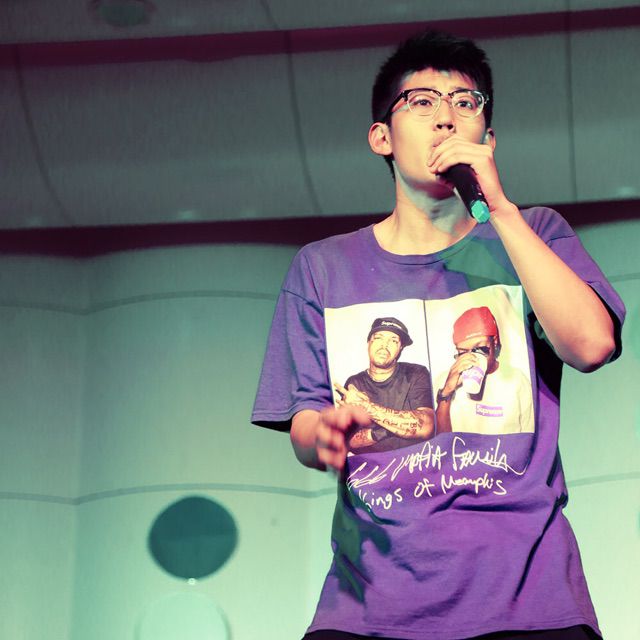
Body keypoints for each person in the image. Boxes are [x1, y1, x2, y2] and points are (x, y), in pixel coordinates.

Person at [252, 29, 624, 640]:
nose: (446, 118)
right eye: (421, 102)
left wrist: (498, 210)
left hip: (530, 602)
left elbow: (591, 345)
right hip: (370, 606)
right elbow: (304, 421)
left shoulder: (534, 234)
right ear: (382, 136)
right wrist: (323, 433)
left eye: (465, 102)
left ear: (488, 138)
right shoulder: (322, 267)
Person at [334, 316, 435, 453]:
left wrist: (367, 407)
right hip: (373, 464)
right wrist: (389, 430)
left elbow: (426, 427)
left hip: (413, 461)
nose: (384, 345)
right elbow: (348, 440)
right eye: (379, 338)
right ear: (369, 343)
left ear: (400, 348)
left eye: (393, 340)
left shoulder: (416, 373)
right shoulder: (354, 384)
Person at [435, 305, 534, 434]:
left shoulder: (517, 380)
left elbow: (528, 435)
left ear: (495, 342)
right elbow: (439, 440)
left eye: (480, 348)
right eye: (463, 352)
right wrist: (447, 391)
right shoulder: (445, 380)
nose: (472, 357)